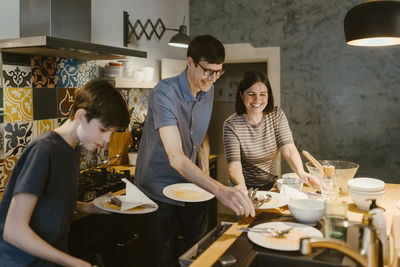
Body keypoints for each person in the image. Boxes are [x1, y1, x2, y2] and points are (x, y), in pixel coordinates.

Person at [135, 35, 255, 267]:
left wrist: (205, 177)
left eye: (218, 72)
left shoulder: (207, 90)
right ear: (189, 62)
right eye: (207, 71)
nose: (212, 79)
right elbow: (175, 157)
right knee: (165, 258)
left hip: (189, 185)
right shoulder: (164, 92)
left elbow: (200, 136)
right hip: (157, 187)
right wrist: (219, 190)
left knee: (200, 251)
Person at [0, 80, 130, 266]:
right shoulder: (44, 150)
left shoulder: (72, 148)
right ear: (81, 116)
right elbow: (13, 230)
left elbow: (51, 199)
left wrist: (89, 207)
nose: (107, 139)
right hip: (24, 262)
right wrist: (72, 262)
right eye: (103, 130)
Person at [223, 71, 319, 191]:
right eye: (251, 94)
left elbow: (289, 149)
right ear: (242, 95)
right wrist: (242, 187)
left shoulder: (276, 115)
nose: (257, 99)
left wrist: (301, 173)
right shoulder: (231, 125)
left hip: (272, 186)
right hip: (244, 187)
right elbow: (234, 165)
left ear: (268, 95)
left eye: (262, 94)